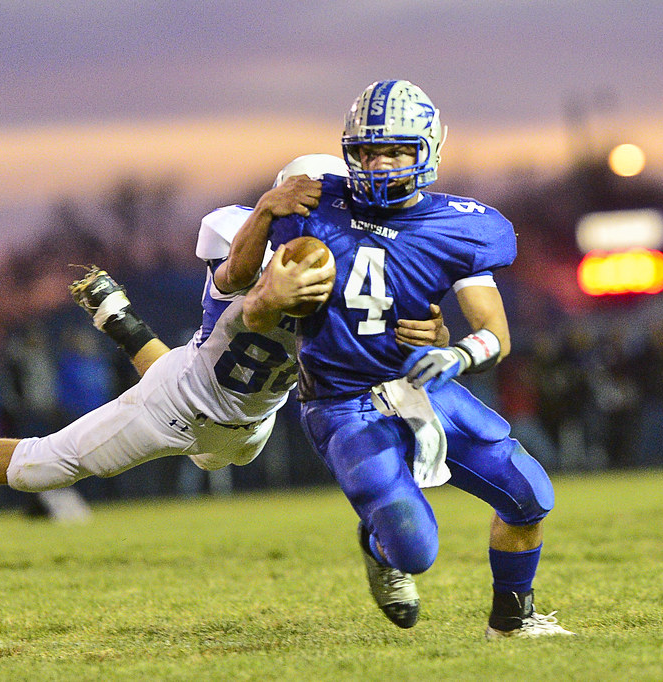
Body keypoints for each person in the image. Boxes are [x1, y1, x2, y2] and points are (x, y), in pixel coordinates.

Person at [0, 154, 445, 568]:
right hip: (178, 405)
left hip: (249, 427)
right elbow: (246, 287)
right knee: (45, 464)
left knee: (244, 433)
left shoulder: (356, 269)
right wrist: (267, 213)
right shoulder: (240, 239)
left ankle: (123, 325)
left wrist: (429, 329)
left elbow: (390, 337)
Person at [222, 80, 573, 638]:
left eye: (393, 150)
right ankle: (378, 545)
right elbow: (234, 284)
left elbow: (495, 334)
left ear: (427, 148)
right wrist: (264, 212)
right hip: (341, 405)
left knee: (529, 493)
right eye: (364, 151)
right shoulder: (313, 206)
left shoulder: (462, 226)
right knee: (414, 550)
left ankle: (512, 620)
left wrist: (455, 354)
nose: (376, 163)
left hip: (420, 388)